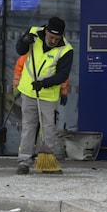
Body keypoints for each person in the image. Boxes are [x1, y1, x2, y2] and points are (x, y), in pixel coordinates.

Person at [14, 16, 73, 174]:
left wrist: (44, 83)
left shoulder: (66, 50)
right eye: (51, 36)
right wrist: (24, 41)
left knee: (48, 128)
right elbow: (20, 51)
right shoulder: (33, 33)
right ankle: (24, 161)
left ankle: (47, 162)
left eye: (56, 37)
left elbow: (62, 75)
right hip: (28, 91)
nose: (53, 40)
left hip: (48, 95)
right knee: (28, 126)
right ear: (46, 30)